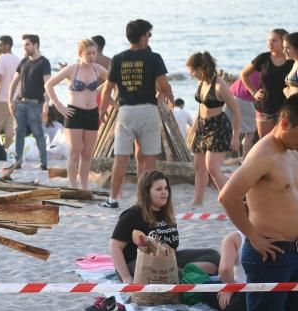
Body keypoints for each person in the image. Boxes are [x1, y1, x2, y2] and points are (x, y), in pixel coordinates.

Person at [218, 94, 298, 311]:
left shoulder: (291, 150)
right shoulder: (264, 153)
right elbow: (228, 196)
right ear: (284, 123)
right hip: (268, 253)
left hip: (294, 250)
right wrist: (252, 235)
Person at [99, 20, 174, 209]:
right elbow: (164, 86)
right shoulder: (154, 58)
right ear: (142, 37)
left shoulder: (117, 58)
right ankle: (149, 201)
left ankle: (113, 199)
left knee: (121, 158)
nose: (149, 39)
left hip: (126, 112)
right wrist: (167, 100)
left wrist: (106, 111)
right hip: (147, 110)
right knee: (149, 158)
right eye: (149, 35)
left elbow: (106, 90)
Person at [108, 170, 219, 284]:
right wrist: (126, 277)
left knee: (213, 256)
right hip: (137, 263)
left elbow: (172, 247)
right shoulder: (133, 214)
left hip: (167, 259)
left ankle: (185, 274)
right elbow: (114, 246)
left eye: (166, 188)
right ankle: (185, 276)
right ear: (147, 192)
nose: (164, 192)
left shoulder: (166, 213)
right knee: (165, 270)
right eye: (159, 189)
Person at [44, 39, 108, 190]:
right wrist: (59, 106)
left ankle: (84, 187)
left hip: (92, 113)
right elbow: (49, 84)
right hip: (74, 113)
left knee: (87, 154)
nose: (92, 56)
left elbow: (113, 81)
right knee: (75, 152)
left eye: (94, 53)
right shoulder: (72, 69)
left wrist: (97, 90)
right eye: (88, 53)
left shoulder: (97, 69)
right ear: (80, 54)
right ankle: (73, 186)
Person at [186, 52, 241, 207]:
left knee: (213, 168)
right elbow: (201, 107)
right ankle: (198, 201)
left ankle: (231, 199)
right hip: (202, 127)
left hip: (218, 127)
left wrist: (236, 136)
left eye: (192, 71)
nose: (191, 74)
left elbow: (236, 111)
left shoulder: (220, 85)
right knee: (199, 167)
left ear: (202, 68)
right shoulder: (201, 82)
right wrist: (193, 129)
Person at [7, 34, 51, 170]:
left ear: (35, 45)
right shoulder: (24, 61)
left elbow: (48, 84)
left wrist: (46, 104)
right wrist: (10, 100)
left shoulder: (44, 62)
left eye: (27, 44)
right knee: (18, 132)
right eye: (24, 45)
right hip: (20, 103)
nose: (24, 47)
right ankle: (18, 161)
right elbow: (14, 82)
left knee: (38, 133)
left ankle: (43, 162)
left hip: (35, 104)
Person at [239, 29, 293, 140]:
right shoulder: (263, 58)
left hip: (285, 109)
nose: (270, 43)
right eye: (268, 40)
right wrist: (254, 92)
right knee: (265, 142)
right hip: (264, 107)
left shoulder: (291, 60)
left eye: (274, 41)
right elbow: (244, 74)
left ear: (283, 42)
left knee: (284, 142)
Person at [0, 35, 20, 151]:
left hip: (2, 97)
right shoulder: (18, 59)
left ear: (7, 45)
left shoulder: (1, 58)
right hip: (15, 98)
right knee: (10, 126)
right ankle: (8, 149)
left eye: (0, 45)